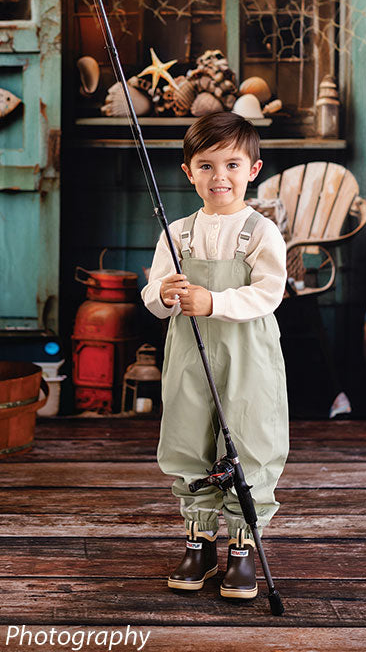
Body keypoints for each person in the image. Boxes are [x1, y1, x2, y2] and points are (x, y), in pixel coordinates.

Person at [141, 111, 289, 600]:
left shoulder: (261, 231)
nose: (218, 176)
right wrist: (163, 293)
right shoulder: (177, 233)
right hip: (189, 355)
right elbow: (153, 294)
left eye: (231, 165)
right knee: (188, 438)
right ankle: (200, 544)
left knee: (249, 439)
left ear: (253, 170)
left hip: (247, 356)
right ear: (189, 172)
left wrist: (214, 302)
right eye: (206, 165)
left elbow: (269, 292)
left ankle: (243, 549)